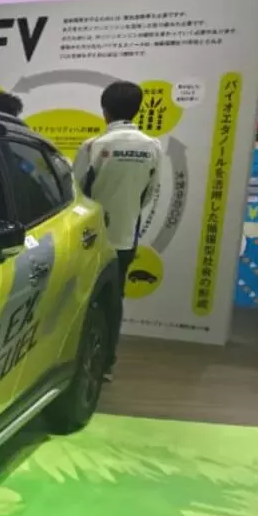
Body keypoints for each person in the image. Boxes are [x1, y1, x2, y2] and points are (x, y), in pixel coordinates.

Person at [72, 80, 164, 382]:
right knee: (113, 299)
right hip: (125, 237)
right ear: (137, 109)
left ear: (105, 110)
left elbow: (76, 193)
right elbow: (150, 194)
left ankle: (75, 360)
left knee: (83, 297)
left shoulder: (93, 146)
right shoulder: (153, 146)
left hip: (88, 237)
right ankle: (106, 362)